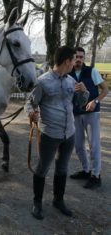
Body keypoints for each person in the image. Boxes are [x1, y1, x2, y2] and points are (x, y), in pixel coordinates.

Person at [25, 46, 89, 220]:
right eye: (74, 59)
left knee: (62, 169)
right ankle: (37, 202)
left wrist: (84, 92)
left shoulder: (71, 81)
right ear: (67, 61)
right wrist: (32, 113)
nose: (76, 62)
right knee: (42, 169)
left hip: (69, 134)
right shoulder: (42, 82)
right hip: (50, 135)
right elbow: (30, 103)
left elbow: (81, 103)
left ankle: (58, 201)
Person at [69, 47, 109, 189]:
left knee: (94, 145)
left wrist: (95, 101)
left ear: (84, 58)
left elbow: (105, 89)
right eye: (76, 57)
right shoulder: (69, 74)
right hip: (76, 114)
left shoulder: (92, 71)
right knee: (78, 145)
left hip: (92, 113)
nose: (79, 59)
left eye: (81, 57)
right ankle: (86, 170)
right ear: (73, 58)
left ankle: (96, 175)